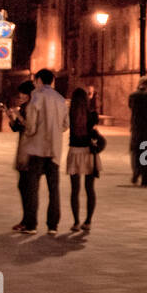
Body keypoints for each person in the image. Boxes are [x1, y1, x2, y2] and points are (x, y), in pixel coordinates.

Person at [21, 68, 69, 235]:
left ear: (39, 80)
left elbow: (31, 124)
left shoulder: (37, 96)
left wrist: (29, 132)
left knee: (32, 187)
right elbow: (65, 125)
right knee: (53, 189)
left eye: (36, 80)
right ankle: (52, 225)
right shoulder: (61, 99)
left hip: (37, 148)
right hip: (54, 149)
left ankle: (32, 225)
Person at [66, 87, 100, 234]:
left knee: (75, 190)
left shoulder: (70, 114)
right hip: (89, 153)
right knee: (89, 189)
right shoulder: (92, 115)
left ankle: (75, 222)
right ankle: (88, 222)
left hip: (74, 152)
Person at [5, 80, 35, 231]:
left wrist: (19, 115)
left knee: (27, 187)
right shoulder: (24, 108)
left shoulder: (33, 109)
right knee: (23, 186)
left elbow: (30, 128)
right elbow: (17, 128)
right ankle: (26, 219)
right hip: (23, 149)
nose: (21, 96)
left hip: (29, 151)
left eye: (23, 94)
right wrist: (10, 117)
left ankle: (29, 221)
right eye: (20, 94)